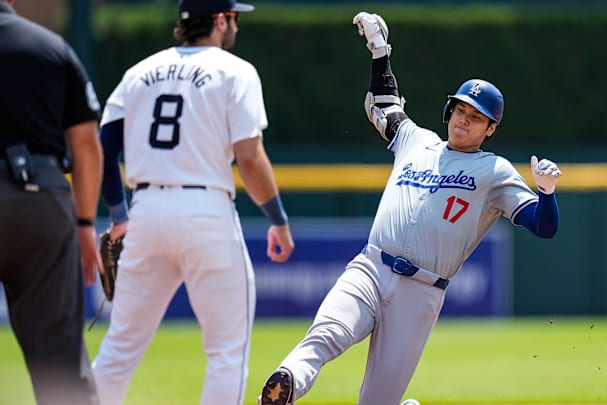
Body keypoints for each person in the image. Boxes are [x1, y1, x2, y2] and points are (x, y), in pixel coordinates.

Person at [258, 11, 562, 405]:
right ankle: (288, 383)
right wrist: (380, 52)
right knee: (326, 333)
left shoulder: (494, 171)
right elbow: (383, 106)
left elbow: (543, 226)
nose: (463, 120)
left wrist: (547, 191)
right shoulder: (417, 140)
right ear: (449, 111)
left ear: (490, 129)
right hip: (371, 266)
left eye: (476, 117)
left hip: (421, 291)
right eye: (460, 110)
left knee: (377, 400)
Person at [90, 0, 295, 404]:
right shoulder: (236, 70)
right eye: (233, 17)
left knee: (118, 350)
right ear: (220, 20)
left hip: (146, 209)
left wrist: (119, 215)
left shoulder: (140, 72)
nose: (235, 24)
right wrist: (278, 219)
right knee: (225, 353)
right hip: (206, 212)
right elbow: (250, 159)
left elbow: (102, 150)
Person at [0, 1, 103, 404]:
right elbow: (85, 145)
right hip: (43, 199)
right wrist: (84, 222)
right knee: (60, 360)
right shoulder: (51, 47)